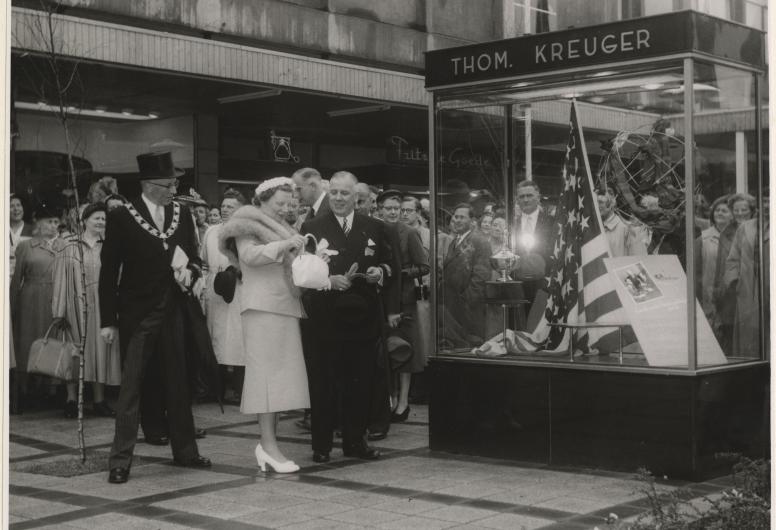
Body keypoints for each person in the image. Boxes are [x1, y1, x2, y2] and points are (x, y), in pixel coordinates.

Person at [99, 151, 212, 484]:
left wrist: (190, 273)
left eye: (175, 183)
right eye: (167, 185)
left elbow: (194, 257)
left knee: (178, 382)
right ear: (148, 185)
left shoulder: (182, 212)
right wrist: (108, 321)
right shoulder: (122, 216)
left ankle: (186, 452)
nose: (172, 190)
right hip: (138, 314)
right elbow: (108, 273)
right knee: (131, 388)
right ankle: (120, 461)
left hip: (174, 310)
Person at [300, 171, 397, 463]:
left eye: (345, 193)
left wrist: (380, 272)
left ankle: (356, 441)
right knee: (324, 382)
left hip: (362, 317)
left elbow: (390, 265)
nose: (339, 199)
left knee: (360, 382)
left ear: (357, 197)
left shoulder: (375, 227)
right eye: (335, 193)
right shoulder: (312, 226)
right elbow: (303, 272)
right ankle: (321, 445)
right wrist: (330, 279)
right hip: (325, 317)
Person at [219, 177, 310, 473]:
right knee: (266, 380)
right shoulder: (246, 221)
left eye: (288, 203)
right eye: (279, 203)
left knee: (280, 381)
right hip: (261, 307)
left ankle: (270, 446)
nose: (285, 208)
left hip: (283, 305)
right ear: (261, 200)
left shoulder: (282, 226)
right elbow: (248, 257)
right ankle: (267, 445)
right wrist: (285, 245)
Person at [52, 203, 120, 418]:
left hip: (102, 305)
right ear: (84, 220)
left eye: (104, 219)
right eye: (96, 218)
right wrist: (59, 311)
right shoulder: (69, 245)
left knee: (101, 351)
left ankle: (99, 400)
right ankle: (71, 400)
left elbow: (117, 278)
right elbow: (60, 279)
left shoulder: (109, 245)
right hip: (75, 304)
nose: (100, 222)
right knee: (74, 351)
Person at [377, 190, 429, 424]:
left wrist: (399, 273)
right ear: (380, 209)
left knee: (404, 352)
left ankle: (403, 402)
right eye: (388, 208)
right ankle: (390, 398)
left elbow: (424, 266)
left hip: (404, 300)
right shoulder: (375, 230)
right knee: (386, 353)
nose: (393, 212)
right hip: (381, 299)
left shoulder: (409, 233)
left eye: (396, 209)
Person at [10, 203, 66, 410]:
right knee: (28, 342)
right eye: (49, 222)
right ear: (39, 223)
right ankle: (23, 391)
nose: (53, 226)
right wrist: (11, 308)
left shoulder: (65, 245)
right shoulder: (26, 246)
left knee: (53, 341)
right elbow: (16, 280)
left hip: (56, 299)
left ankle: (51, 390)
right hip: (31, 300)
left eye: (56, 222)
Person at [201, 189, 247, 403]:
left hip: (238, 288)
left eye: (231, 206)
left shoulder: (246, 232)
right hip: (215, 287)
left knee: (237, 337)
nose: (225, 209)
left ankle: (240, 388)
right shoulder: (211, 231)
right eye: (224, 205)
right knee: (215, 336)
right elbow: (203, 260)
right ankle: (216, 388)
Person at [440, 203, 491, 348]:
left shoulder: (480, 241)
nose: (457, 220)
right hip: (452, 308)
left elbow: (481, 276)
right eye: (456, 217)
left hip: (468, 309)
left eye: (462, 217)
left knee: (470, 347)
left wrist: (466, 301)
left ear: (472, 221)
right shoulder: (455, 241)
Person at [723, 196, 768, 358]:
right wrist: (734, 282)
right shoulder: (746, 228)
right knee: (749, 335)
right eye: (765, 202)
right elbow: (733, 259)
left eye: (771, 202)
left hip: (770, 289)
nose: (768, 206)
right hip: (748, 289)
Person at [694, 196, 734, 350]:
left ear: (732, 215)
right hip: (709, 299)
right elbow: (695, 273)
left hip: (731, 299)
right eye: (717, 210)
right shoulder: (702, 240)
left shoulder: (738, 236)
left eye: (724, 210)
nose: (720, 213)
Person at [513, 180, 556, 302]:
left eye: (529, 195)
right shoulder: (511, 225)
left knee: (539, 319)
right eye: (522, 196)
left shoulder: (552, 222)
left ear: (538, 197)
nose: (525, 200)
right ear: (517, 200)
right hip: (518, 284)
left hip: (544, 283)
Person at [597, 191, 648, 257]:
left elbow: (639, 259)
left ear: (611, 205)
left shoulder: (629, 229)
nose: (597, 206)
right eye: (595, 202)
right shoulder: (593, 228)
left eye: (600, 202)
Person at [10, 194, 34, 278]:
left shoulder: (33, 231)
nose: (16, 209)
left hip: (26, 279)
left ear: (23, 208)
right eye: (11, 206)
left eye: (18, 205)